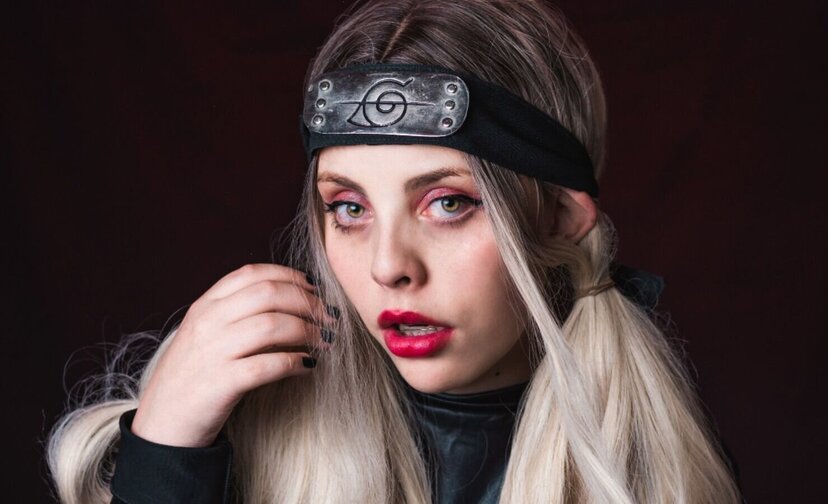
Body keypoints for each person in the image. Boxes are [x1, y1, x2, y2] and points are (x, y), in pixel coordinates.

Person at [46, 0, 741, 502]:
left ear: (559, 221)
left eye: (447, 203)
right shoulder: (230, 438)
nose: (387, 267)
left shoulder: (663, 471)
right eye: (349, 208)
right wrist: (163, 457)